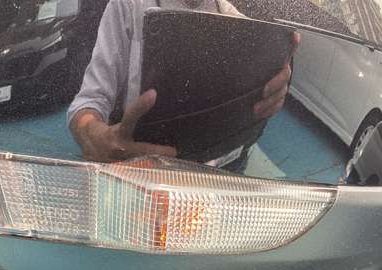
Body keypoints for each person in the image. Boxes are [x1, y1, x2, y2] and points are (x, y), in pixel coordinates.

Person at [67, 0, 298, 165]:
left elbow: (252, 117)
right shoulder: (128, 6)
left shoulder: (241, 24)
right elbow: (89, 101)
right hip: (142, 173)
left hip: (220, 176)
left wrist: (270, 93)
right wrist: (95, 138)